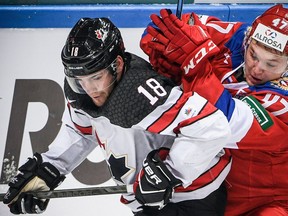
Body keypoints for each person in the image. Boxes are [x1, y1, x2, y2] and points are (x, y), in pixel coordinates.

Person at [2, 17, 254, 216]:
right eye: (78, 80)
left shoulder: (141, 92)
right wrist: (50, 168)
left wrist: (170, 171)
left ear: (118, 65)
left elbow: (212, 127)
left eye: (95, 77)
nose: (88, 89)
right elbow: (82, 129)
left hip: (195, 198)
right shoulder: (83, 92)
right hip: (146, 200)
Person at [140, 3, 288, 216]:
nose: (257, 69)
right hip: (211, 192)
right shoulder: (236, 38)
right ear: (248, 40)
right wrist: (167, 54)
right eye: (253, 55)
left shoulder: (283, 102)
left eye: (271, 64)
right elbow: (162, 28)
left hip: (267, 202)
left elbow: (220, 123)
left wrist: (194, 64)